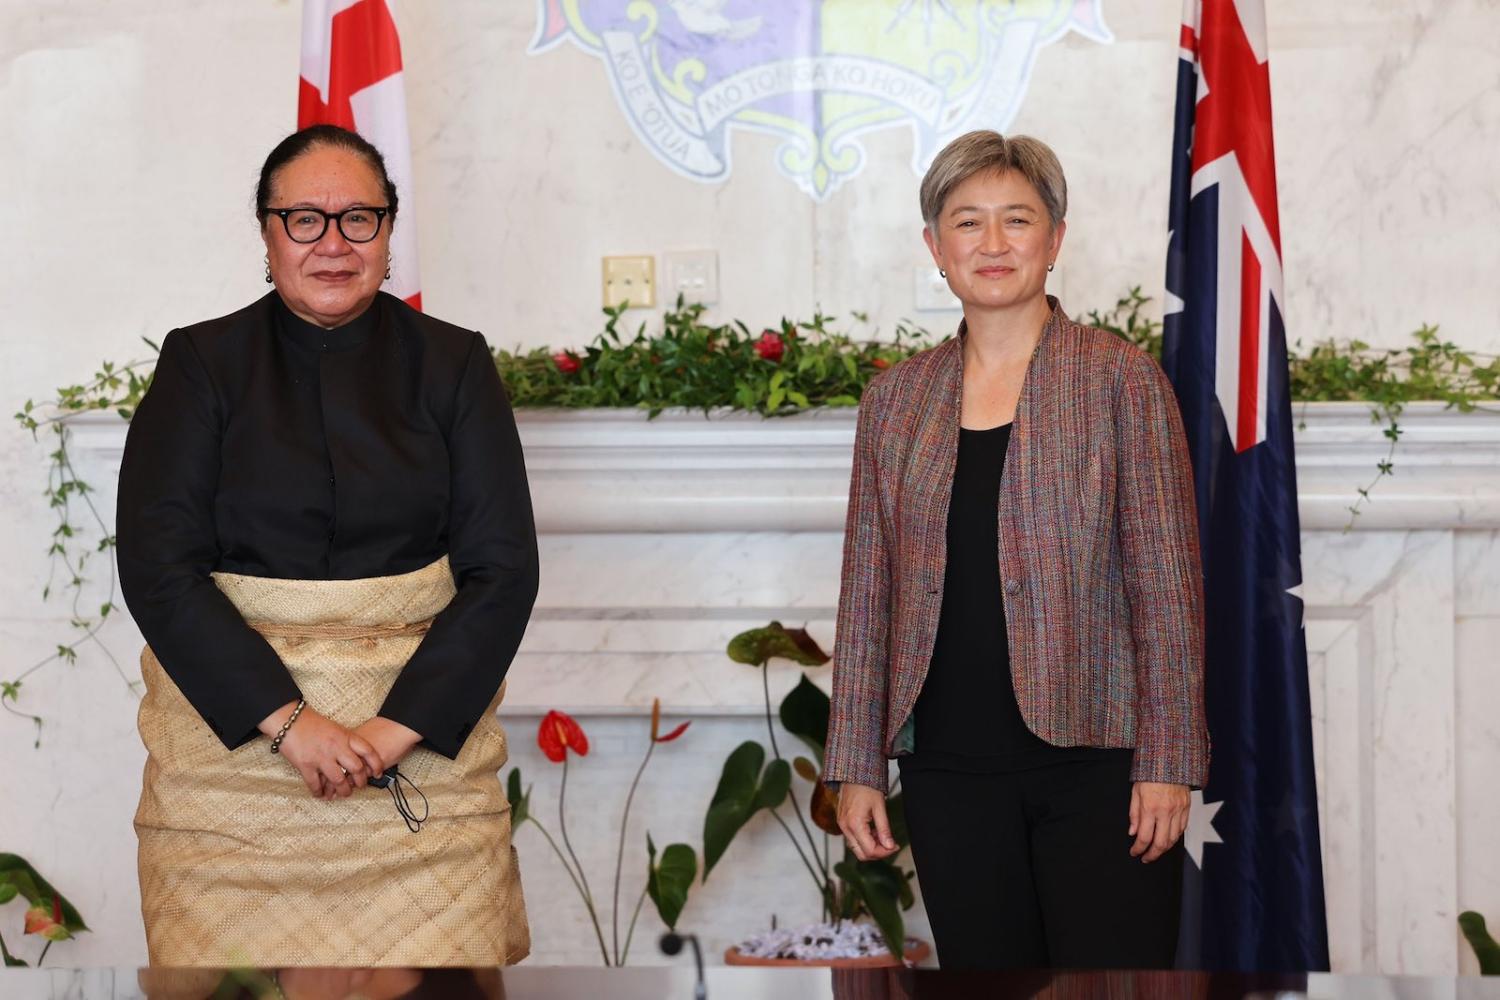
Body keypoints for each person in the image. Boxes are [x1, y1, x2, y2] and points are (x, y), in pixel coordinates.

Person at [117, 124, 537, 967]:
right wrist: (293, 725)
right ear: (266, 231)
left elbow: (502, 572)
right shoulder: (201, 363)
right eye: (305, 219)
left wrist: (389, 734)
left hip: (421, 779)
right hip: (232, 791)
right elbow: (159, 568)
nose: (334, 243)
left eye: (359, 219)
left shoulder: (454, 363)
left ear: (389, 230)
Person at [824, 131, 1209, 970]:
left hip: (1101, 769)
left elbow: (1167, 590)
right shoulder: (894, 402)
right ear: (936, 247)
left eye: (1017, 219)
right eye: (968, 222)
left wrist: (1169, 762)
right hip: (948, 775)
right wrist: (855, 764)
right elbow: (866, 597)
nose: (992, 243)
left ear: (1055, 238)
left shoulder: (1121, 381)